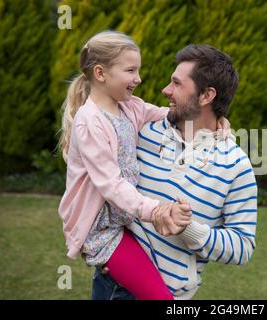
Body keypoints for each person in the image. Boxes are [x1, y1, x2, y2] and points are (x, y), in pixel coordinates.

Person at [92, 44, 258, 300]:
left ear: (206, 96)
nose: (165, 90)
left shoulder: (237, 166)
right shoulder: (142, 131)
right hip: (113, 285)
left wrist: (188, 229)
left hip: (170, 296)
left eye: (177, 84)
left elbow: (242, 247)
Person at [57, 30, 193, 300]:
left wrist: (212, 121)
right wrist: (155, 210)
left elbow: (168, 115)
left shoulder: (129, 107)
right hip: (103, 232)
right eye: (131, 70)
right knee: (162, 298)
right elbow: (111, 185)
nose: (138, 79)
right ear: (100, 73)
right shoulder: (90, 121)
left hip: (127, 221)